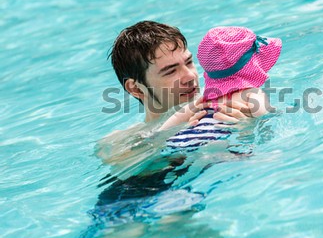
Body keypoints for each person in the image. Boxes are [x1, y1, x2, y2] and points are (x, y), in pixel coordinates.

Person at [96, 21, 251, 165]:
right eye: (170, 71)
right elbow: (124, 168)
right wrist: (167, 132)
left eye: (189, 62)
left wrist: (248, 127)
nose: (190, 76)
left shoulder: (228, 103)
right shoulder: (116, 142)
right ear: (135, 89)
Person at [159, 26, 282, 153]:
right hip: (217, 140)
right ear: (253, 64)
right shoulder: (252, 94)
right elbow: (266, 119)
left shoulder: (204, 100)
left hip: (182, 139)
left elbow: (164, 129)